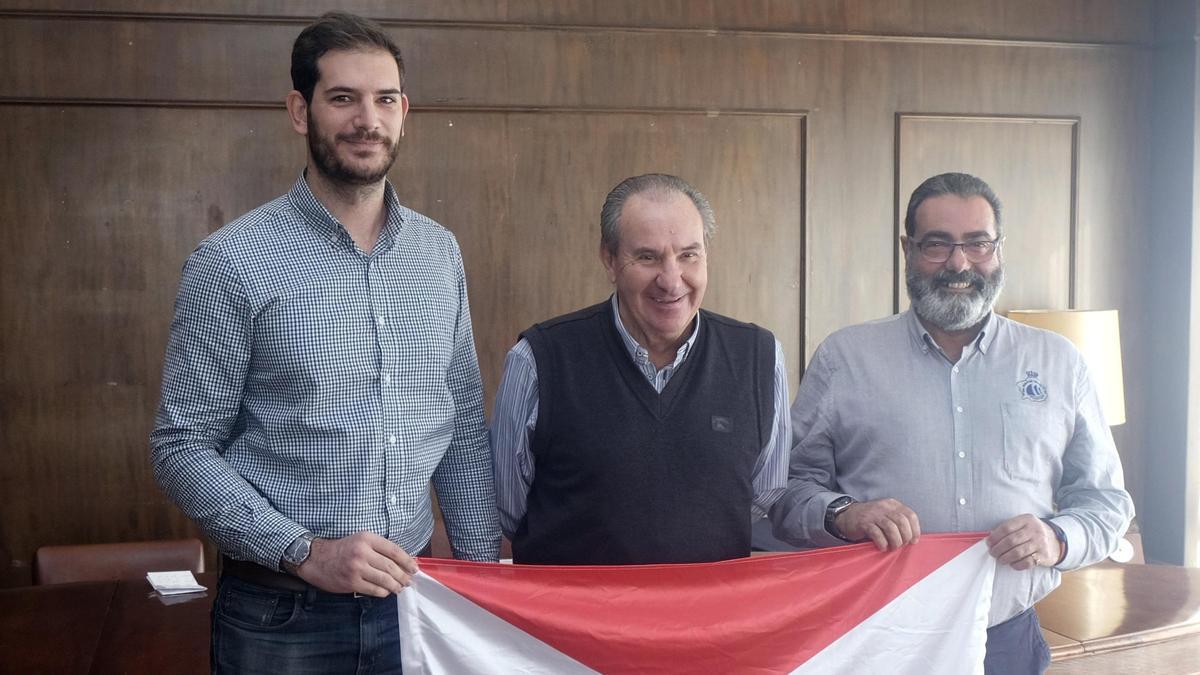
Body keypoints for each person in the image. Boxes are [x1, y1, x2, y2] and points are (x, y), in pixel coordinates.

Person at [150, 11, 499, 672]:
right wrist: (306, 549)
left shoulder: (438, 253)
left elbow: (459, 433)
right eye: (343, 98)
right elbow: (181, 446)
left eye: (385, 99)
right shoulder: (231, 261)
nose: (368, 118)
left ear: (404, 112)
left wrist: (484, 584)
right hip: (280, 618)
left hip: (419, 606)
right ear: (300, 110)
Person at [770, 172, 1134, 674]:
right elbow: (784, 493)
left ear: (998, 249)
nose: (959, 263)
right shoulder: (845, 358)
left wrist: (1059, 538)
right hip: (877, 638)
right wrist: (843, 513)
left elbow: (1106, 502)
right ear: (908, 250)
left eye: (977, 244)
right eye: (937, 245)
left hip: (1006, 642)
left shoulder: (1059, 362)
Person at [490, 173, 791, 565]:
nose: (671, 280)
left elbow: (763, 496)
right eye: (647, 257)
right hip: (571, 621)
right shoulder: (539, 359)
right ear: (610, 259)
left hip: (708, 619)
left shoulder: (760, 358)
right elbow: (505, 508)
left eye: (689, 255)